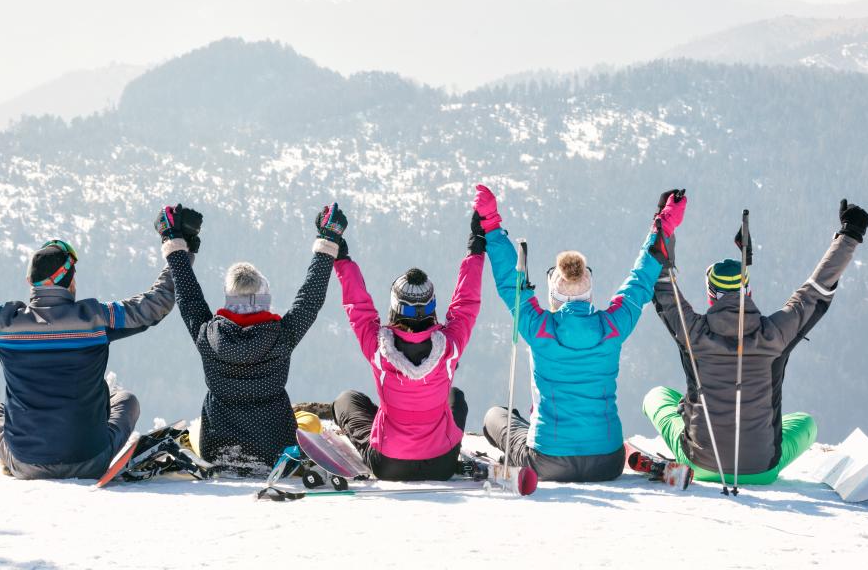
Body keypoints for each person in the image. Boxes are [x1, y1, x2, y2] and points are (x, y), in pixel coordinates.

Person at [0, 205, 182, 480]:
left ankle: (15, 457)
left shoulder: (5, 323)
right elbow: (157, 303)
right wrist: (178, 246)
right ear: (71, 281)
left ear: (30, 282)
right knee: (127, 400)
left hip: (26, 462)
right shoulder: (97, 320)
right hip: (92, 460)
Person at [644, 198, 868, 485]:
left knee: (656, 397)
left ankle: (688, 414)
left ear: (711, 294)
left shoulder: (694, 333)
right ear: (747, 291)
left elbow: (661, 283)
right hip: (763, 469)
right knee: (805, 422)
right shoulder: (776, 334)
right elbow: (816, 289)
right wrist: (850, 234)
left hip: (701, 463)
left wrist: (664, 223)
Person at [479, 184, 680, 482]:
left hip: (548, 460)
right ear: (588, 292)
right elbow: (639, 282)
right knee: (597, 430)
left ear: (553, 293)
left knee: (496, 416)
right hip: (608, 461)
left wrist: (491, 226)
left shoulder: (539, 328)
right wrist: (661, 227)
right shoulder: (613, 326)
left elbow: (512, 284)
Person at [164, 202, 344, 469]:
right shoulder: (282, 336)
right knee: (310, 421)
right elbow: (310, 299)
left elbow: (188, 296)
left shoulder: (208, 336)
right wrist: (328, 239)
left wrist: (173, 240)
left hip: (218, 451)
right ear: (265, 299)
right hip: (276, 451)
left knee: (196, 427)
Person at [329, 193, 485, 481]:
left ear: (395, 306)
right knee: (455, 396)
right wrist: (476, 248)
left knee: (346, 400)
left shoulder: (378, 345)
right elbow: (466, 304)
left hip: (389, 463)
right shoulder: (449, 346)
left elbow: (359, 308)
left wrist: (341, 257)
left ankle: (391, 431)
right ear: (432, 306)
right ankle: (439, 439)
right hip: (441, 462)